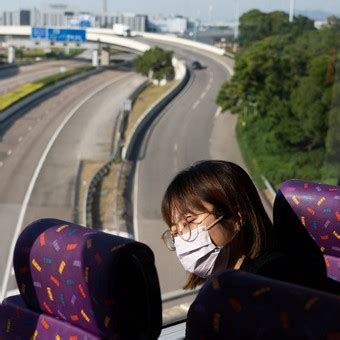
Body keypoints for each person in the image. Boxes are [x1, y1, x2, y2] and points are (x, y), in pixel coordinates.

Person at [161, 160, 339, 294]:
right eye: (175, 231)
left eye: (189, 221)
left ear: (237, 218)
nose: (181, 237)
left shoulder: (272, 285)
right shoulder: (223, 288)